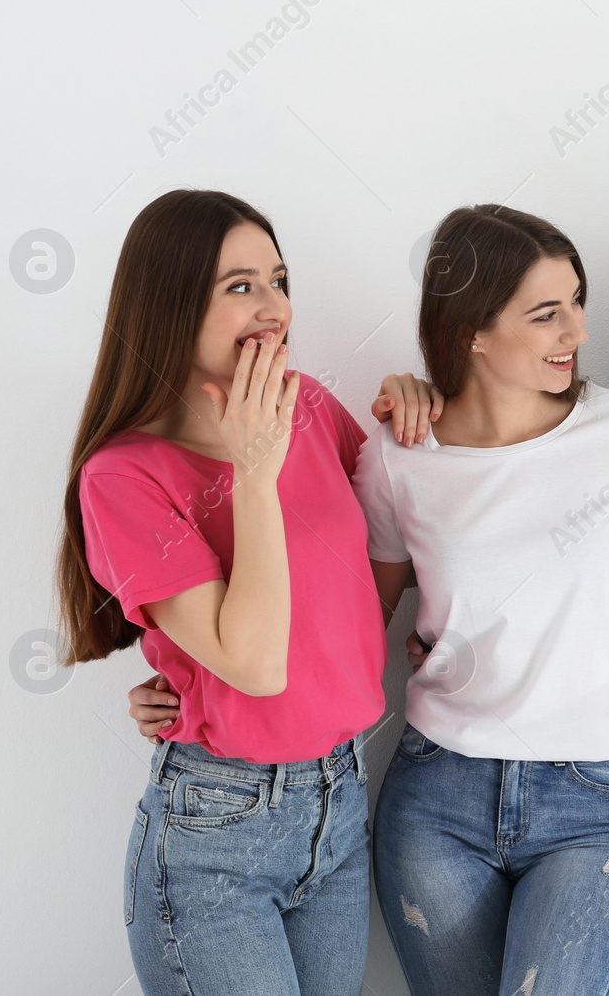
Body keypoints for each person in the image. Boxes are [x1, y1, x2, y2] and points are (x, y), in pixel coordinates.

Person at [63, 189, 404, 995]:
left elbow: (395, 547)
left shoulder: (313, 407)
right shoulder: (123, 475)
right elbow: (253, 663)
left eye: (279, 280)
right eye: (240, 285)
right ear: (172, 302)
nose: (274, 306)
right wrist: (255, 473)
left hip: (340, 803)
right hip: (215, 830)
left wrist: (419, 406)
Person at [356, 204, 609, 996]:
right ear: (471, 329)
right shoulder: (399, 453)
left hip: (595, 804)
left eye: (576, 302)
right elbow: (353, 631)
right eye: (547, 314)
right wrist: (200, 682)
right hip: (436, 801)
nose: (576, 332)